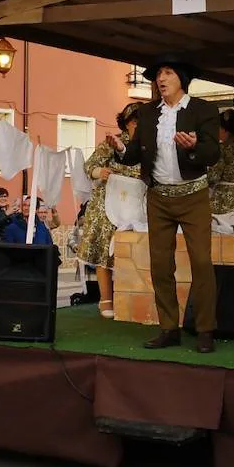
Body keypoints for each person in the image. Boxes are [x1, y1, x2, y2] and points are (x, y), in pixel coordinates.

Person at [105, 59, 220, 353]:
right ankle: (169, 328)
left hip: (193, 196)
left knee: (202, 263)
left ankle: (205, 329)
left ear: (181, 78)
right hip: (158, 198)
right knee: (160, 264)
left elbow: (213, 153)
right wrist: (120, 149)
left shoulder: (202, 110)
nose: (161, 78)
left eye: (168, 73)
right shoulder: (147, 112)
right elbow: (134, 154)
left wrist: (194, 146)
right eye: (158, 74)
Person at [77, 103, 143, 318]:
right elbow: (89, 166)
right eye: (134, 121)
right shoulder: (111, 143)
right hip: (108, 202)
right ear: (127, 123)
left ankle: (132, 295)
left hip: (136, 203)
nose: (137, 125)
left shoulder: (148, 146)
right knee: (104, 249)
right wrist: (100, 171)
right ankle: (106, 299)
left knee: (134, 250)